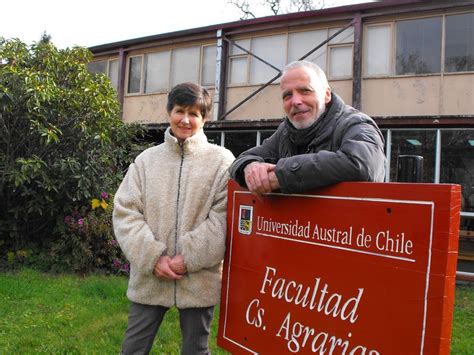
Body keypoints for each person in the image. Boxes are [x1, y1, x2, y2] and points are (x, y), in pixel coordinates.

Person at [113, 82, 234, 354]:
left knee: (196, 349)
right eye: (180, 111)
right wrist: (153, 257)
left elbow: (223, 219)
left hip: (199, 278)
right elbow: (125, 212)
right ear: (169, 112)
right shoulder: (146, 161)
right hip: (150, 276)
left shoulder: (222, 161)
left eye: (194, 113)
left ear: (205, 118)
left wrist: (187, 259)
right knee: (133, 348)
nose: (186, 120)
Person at [229, 60, 386, 195]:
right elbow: (241, 160)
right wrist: (251, 167)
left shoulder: (356, 124)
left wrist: (281, 175)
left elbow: (363, 165)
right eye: (287, 95)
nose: (296, 101)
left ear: (326, 95)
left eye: (305, 91)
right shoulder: (284, 133)